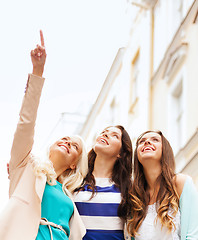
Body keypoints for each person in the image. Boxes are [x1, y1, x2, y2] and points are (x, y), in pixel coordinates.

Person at [0, 30, 88, 240]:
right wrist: (37, 72)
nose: (67, 141)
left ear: (74, 164)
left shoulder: (70, 194)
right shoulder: (25, 167)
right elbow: (26, 123)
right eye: (64, 138)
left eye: (74, 146)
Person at [127, 130, 198, 240]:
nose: (147, 142)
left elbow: (193, 235)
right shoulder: (134, 197)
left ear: (165, 150)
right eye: (142, 141)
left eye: (155, 140)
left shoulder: (181, 183)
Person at [74, 125, 133, 240]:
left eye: (115, 135)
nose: (105, 134)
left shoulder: (128, 188)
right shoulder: (75, 180)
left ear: (121, 153)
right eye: (104, 132)